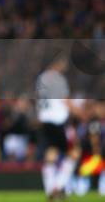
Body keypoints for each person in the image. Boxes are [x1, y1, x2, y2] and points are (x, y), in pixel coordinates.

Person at [36, 55, 80, 200]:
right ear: (57, 62)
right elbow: (64, 100)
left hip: (44, 121)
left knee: (51, 154)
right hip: (56, 121)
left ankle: (50, 190)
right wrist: (80, 112)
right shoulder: (58, 78)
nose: (65, 65)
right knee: (74, 153)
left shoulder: (41, 78)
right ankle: (59, 186)